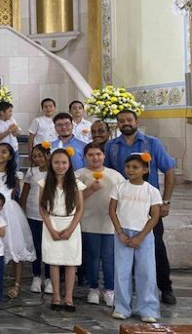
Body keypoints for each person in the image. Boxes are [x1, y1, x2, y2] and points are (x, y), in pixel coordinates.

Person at [104, 109, 177, 305]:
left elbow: (169, 170)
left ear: (136, 121)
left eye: (129, 120)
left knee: (156, 248)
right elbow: (109, 175)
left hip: (149, 206)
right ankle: (131, 292)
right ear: (117, 124)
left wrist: (166, 201)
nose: (125, 123)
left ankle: (165, 288)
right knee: (124, 249)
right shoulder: (112, 146)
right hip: (124, 207)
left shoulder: (151, 143)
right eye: (121, 121)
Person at [109, 153, 162, 323]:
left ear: (145, 170)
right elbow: (112, 211)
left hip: (143, 235)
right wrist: (120, 232)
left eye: (135, 167)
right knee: (122, 271)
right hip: (122, 234)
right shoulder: (119, 187)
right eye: (128, 167)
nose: (130, 170)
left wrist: (141, 236)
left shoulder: (151, 191)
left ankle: (148, 309)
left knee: (146, 272)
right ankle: (122, 307)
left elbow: (154, 216)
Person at [0, 143, 36, 299]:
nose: (0, 154)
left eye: (4, 152)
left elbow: (14, 194)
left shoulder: (13, 176)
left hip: (10, 213)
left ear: (9, 156)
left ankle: (17, 284)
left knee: (15, 249)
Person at [39, 149, 85, 312]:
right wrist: (51, 228)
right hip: (52, 223)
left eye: (64, 162)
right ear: (51, 164)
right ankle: (56, 296)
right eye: (56, 162)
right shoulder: (45, 183)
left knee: (70, 262)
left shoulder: (76, 184)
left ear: (69, 164)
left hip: (70, 223)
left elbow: (79, 209)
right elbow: (42, 207)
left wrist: (71, 229)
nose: (60, 166)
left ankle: (69, 298)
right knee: (55, 261)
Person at [77, 143, 119, 307]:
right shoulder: (79, 175)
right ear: (85, 157)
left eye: (98, 154)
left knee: (109, 258)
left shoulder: (115, 176)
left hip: (108, 223)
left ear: (104, 156)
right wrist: (90, 190)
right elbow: (74, 198)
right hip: (88, 222)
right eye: (91, 155)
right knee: (92, 257)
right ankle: (93, 288)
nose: (95, 158)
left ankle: (110, 289)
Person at [19, 143, 52, 294]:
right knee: (36, 246)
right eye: (34, 156)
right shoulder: (31, 172)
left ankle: (50, 278)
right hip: (33, 215)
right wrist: (22, 212)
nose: (37, 159)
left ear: (47, 155)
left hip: (51, 216)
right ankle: (36, 276)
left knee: (49, 247)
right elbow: (24, 194)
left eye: (40, 155)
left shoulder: (54, 172)